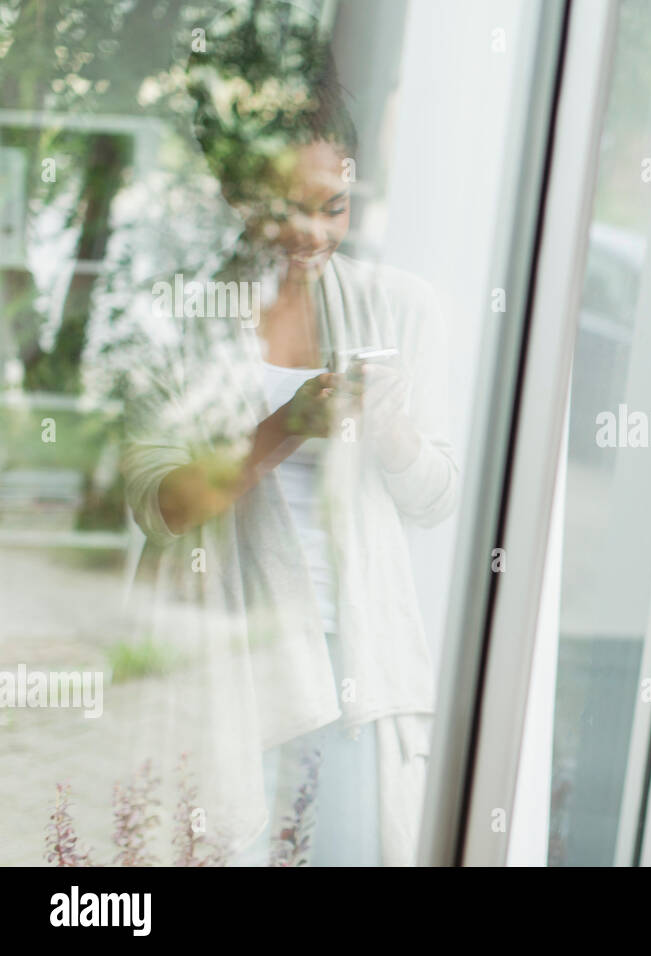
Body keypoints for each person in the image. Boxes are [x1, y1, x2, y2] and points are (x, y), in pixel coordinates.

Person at [117, 7, 459, 865]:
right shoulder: (174, 317)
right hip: (222, 661)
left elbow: (437, 498)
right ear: (235, 190)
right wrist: (282, 430)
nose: (315, 234)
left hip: (355, 663)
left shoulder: (400, 308)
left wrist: (388, 432)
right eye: (287, 208)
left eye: (334, 207)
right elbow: (164, 504)